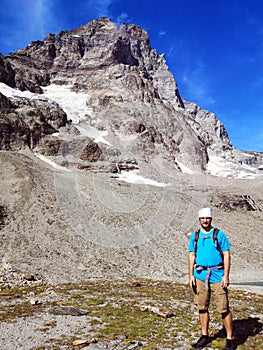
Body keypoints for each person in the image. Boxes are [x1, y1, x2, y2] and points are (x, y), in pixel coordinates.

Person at [188, 208, 235, 350]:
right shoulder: (195, 236)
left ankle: (230, 338)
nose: (205, 220)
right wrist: (190, 275)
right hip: (200, 276)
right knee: (202, 307)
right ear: (199, 219)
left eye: (207, 218)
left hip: (217, 276)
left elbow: (226, 254)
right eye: (202, 218)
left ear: (211, 219)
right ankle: (205, 336)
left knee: (223, 308)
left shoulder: (219, 235)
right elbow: (191, 255)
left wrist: (226, 275)